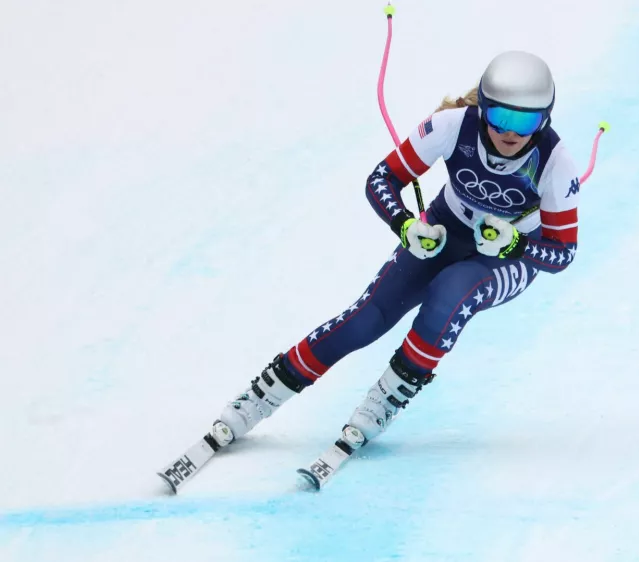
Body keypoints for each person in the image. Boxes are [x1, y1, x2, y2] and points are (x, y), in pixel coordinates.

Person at [210, 50, 581, 452]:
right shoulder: (451, 126)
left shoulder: (556, 163)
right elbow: (382, 178)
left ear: (545, 119)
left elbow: (563, 252)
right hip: (446, 228)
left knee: (451, 292)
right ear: (483, 110)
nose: (511, 133)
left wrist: (515, 243)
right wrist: (405, 224)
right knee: (366, 319)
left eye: (526, 121)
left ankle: (383, 401)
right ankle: (261, 397)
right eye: (500, 118)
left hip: (506, 257)